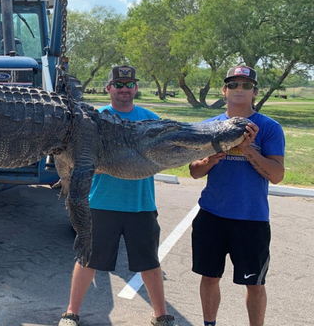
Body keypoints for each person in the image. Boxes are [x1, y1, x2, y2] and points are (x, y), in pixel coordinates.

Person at [59, 65, 177, 326]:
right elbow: (77, 159)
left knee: (150, 264)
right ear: (108, 87)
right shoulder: (93, 118)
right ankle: (71, 313)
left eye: (129, 84)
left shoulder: (151, 119)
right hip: (101, 203)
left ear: (135, 87)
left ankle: (161, 316)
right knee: (87, 260)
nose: (124, 89)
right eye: (119, 84)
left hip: (141, 204)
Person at [188, 65, 285, 326]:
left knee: (254, 283)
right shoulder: (209, 126)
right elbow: (194, 172)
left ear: (255, 92)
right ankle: (209, 323)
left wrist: (248, 149)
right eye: (233, 85)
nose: (238, 90)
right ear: (224, 90)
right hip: (211, 215)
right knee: (209, 277)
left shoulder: (268, 128)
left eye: (245, 85)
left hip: (251, 218)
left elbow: (277, 175)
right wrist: (211, 158)